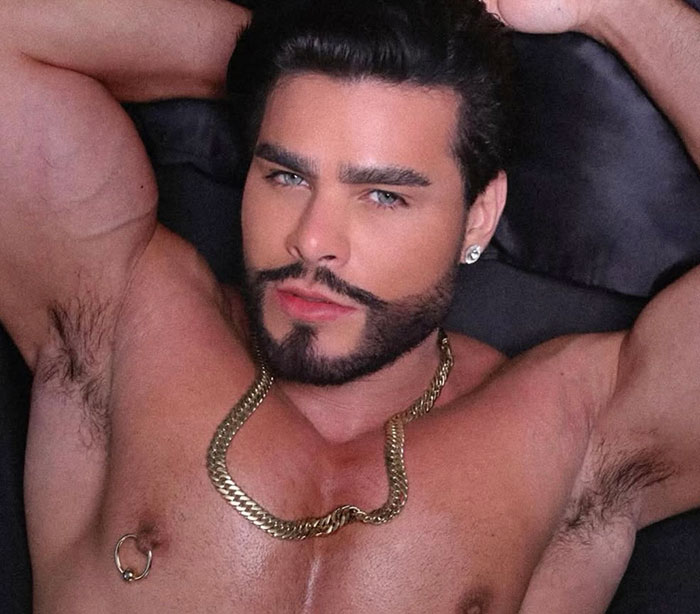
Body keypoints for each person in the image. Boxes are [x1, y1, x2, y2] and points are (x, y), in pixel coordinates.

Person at [0, 0, 698, 612]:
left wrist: (615, 9)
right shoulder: (125, 319)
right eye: (286, 175)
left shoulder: (571, 434)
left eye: (384, 196)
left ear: (478, 218)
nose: (312, 240)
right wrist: (272, 62)